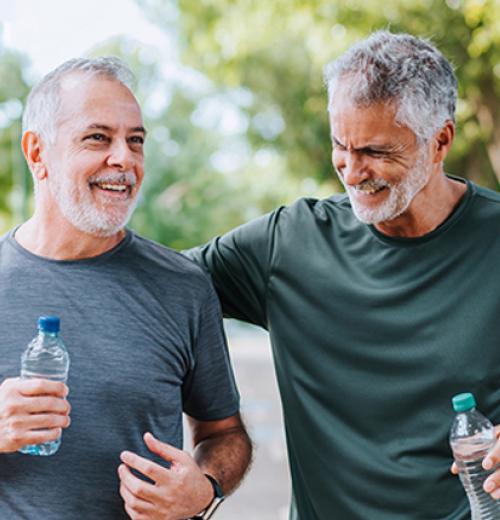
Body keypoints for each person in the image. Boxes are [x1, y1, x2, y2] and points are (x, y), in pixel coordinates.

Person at [186, 31, 500, 519]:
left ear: (441, 141)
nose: (352, 171)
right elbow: (150, 286)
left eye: (375, 151)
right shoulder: (287, 244)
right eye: (340, 144)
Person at [0, 57, 251, 520]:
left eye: (135, 141)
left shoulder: (183, 287)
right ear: (37, 153)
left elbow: (226, 434)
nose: (124, 159)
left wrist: (205, 489)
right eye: (98, 137)